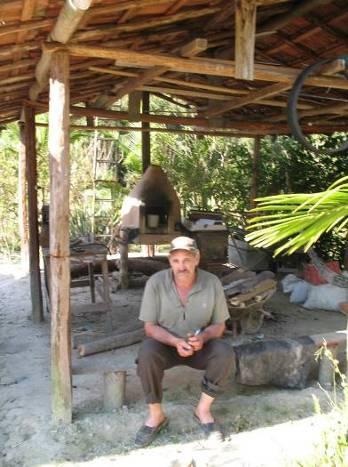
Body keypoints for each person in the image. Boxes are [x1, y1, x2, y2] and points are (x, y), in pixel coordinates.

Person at [135, 236, 235, 447]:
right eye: (176, 261)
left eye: (187, 260)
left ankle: (203, 410)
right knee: (146, 353)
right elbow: (150, 327)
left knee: (225, 353)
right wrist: (174, 341)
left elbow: (219, 325)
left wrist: (204, 337)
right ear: (169, 261)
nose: (181, 266)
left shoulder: (211, 283)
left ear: (197, 259)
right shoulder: (156, 283)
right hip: (167, 346)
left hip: (200, 346)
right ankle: (156, 415)